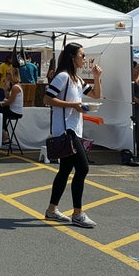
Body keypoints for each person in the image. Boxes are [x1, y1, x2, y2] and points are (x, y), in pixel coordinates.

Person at [43, 42, 102, 228]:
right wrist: (73, 106)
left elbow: (95, 95)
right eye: (82, 55)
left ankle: (52, 210)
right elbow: (47, 99)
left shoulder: (76, 79)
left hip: (74, 128)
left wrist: (97, 77)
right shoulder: (63, 77)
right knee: (82, 168)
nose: (84, 59)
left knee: (65, 170)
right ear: (72, 57)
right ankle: (78, 213)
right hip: (66, 130)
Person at [0, 66, 23, 143]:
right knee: (2, 111)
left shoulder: (16, 87)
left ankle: (4, 133)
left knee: (1, 111)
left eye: (8, 74)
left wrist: (2, 104)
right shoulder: (13, 86)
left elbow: (10, 101)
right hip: (12, 109)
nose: (7, 76)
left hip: (15, 111)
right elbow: (7, 96)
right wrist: (6, 86)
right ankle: (4, 131)